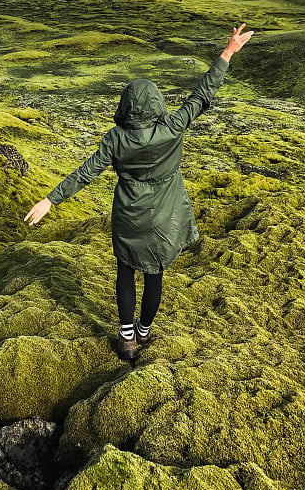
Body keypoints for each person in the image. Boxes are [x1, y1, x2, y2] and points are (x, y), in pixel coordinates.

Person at [24, 23, 253, 360]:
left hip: (129, 216)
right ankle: (144, 331)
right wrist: (227, 53)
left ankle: (127, 339)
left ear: (126, 106)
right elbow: (202, 95)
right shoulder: (172, 127)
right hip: (163, 215)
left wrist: (50, 199)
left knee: (125, 271)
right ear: (157, 102)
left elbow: (86, 172)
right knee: (155, 272)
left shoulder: (115, 139)